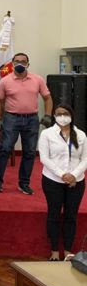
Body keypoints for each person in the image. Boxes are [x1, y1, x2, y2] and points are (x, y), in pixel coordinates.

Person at [0, 52, 52, 195]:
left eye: (23, 61)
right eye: (17, 61)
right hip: (11, 118)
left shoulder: (37, 79)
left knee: (30, 152)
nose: (20, 64)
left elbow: (47, 98)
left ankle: (24, 183)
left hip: (32, 119)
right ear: (12, 64)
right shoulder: (5, 81)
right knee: (5, 149)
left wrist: (48, 115)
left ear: (28, 64)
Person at [38, 104, 87, 261]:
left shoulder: (81, 135)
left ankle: (67, 251)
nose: (62, 117)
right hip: (52, 180)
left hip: (76, 182)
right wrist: (62, 175)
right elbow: (44, 158)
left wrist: (74, 175)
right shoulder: (47, 134)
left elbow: (85, 159)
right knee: (54, 214)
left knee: (71, 216)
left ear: (71, 115)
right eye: (58, 114)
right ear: (54, 116)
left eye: (65, 114)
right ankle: (54, 250)